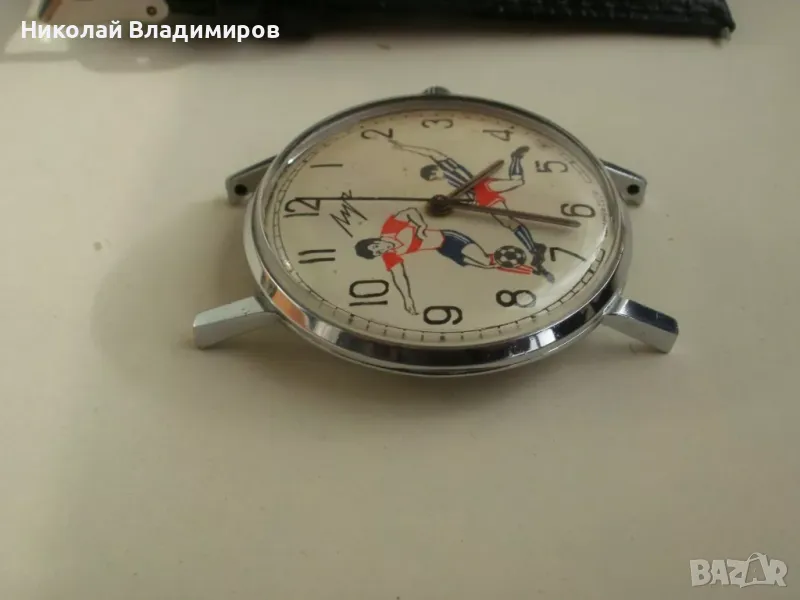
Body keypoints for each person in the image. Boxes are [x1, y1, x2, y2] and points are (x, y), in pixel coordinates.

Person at [389, 138, 555, 283]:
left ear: (434, 169)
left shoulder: (449, 168)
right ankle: (534, 247)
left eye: (432, 175)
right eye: (432, 179)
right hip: (480, 199)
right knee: (509, 222)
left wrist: (404, 147)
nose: (434, 178)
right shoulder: (446, 181)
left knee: (516, 185)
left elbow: (433, 153)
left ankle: (515, 158)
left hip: (483, 187)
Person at [354, 207, 534, 315]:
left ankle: (522, 263)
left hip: (450, 237)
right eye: (377, 253)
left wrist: (420, 225)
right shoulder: (390, 255)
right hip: (442, 249)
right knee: (485, 266)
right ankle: (519, 266)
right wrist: (407, 299)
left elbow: (409, 211)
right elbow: (399, 276)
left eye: (376, 247)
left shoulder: (390, 229)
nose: (381, 250)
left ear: (374, 241)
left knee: (486, 262)